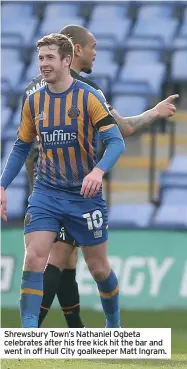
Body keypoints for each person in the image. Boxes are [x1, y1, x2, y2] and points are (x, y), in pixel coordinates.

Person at [22, 24, 179, 328]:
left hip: (44, 184)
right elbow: (123, 129)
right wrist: (153, 114)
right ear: (76, 50)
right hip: (66, 187)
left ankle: (77, 331)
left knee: (68, 261)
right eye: (92, 46)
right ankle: (30, 335)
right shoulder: (82, 90)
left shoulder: (37, 86)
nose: (96, 53)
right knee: (58, 259)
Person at [0, 33, 126, 328]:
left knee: (98, 268)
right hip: (46, 192)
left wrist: (98, 171)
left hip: (83, 196)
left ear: (67, 60)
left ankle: (114, 326)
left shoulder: (88, 97)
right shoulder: (33, 102)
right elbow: (21, 146)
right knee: (34, 257)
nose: (43, 64)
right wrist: (2, 184)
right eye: (41, 58)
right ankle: (28, 332)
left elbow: (116, 142)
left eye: (50, 58)